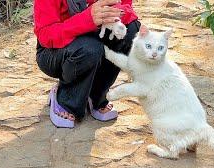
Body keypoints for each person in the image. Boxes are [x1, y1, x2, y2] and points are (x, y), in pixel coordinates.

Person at [34, 0, 140, 128]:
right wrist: (87, 19)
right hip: (54, 51)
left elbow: (127, 8)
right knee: (90, 48)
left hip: (95, 35)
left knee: (131, 31)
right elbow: (45, 34)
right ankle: (66, 98)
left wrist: (112, 12)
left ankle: (96, 94)